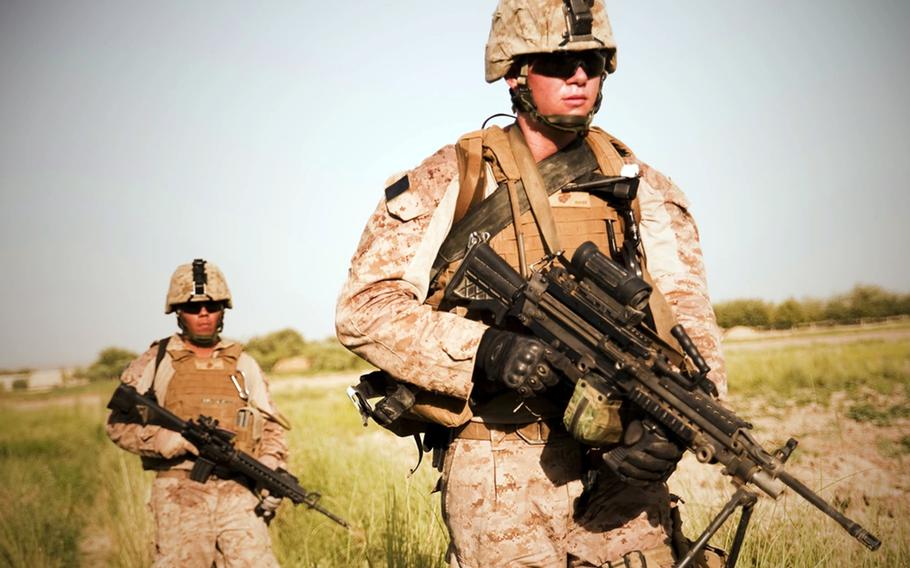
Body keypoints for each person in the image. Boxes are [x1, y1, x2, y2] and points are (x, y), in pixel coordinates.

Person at [336, 1, 727, 566]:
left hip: (620, 459)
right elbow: (365, 310)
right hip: (502, 464)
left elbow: (690, 318)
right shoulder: (450, 178)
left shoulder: (641, 185)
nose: (578, 77)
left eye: (592, 63)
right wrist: (485, 350)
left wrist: (679, 428)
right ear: (516, 73)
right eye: (556, 63)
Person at [106, 258, 289, 567]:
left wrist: (270, 466)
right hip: (180, 494)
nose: (203, 314)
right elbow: (117, 424)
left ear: (223, 310)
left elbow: (272, 426)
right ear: (178, 313)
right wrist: (161, 440)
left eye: (213, 305)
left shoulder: (243, 363)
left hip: (238, 491)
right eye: (193, 308)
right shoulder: (157, 360)